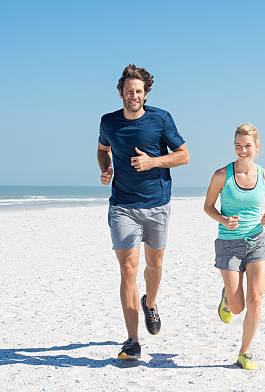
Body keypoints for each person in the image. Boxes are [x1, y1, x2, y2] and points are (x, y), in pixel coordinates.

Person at [97, 64, 190, 360]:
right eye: (128, 91)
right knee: (127, 270)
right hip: (123, 206)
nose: (133, 96)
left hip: (157, 205)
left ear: (145, 93)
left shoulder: (161, 119)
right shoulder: (108, 122)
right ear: (121, 93)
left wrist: (153, 162)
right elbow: (102, 149)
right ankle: (132, 340)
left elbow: (184, 156)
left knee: (155, 265)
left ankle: (150, 303)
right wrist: (106, 168)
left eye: (138, 91)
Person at [203, 123, 265, 370]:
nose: (242, 150)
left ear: (258, 147)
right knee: (238, 307)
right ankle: (227, 298)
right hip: (229, 243)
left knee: (256, 299)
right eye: (238, 145)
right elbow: (208, 206)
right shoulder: (221, 175)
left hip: (257, 241)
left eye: (247, 146)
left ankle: (244, 352)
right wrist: (223, 219)